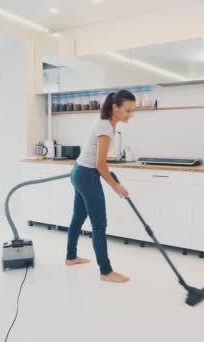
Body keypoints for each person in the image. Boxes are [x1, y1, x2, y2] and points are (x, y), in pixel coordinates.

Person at [65, 89, 136, 283]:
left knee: (78, 217)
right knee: (99, 224)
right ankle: (106, 271)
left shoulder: (107, 125)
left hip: (80, 172)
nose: (131, 114)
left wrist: (113, 178)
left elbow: (100, 163)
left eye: (132, 111)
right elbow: (99, 164)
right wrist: (115, 186)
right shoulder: (105, 127)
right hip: (86, 175)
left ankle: (71, 257)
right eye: (127, 110)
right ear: (115, 107)